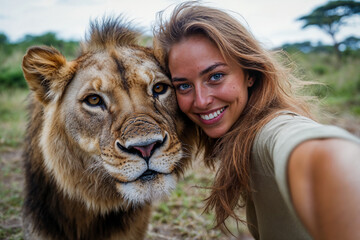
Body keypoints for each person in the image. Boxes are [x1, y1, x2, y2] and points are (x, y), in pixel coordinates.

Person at [153, 2, 360, 240]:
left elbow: (326, 157)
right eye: (184, 86)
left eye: (216, 76)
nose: (200, 101)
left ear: (249, 74)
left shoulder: (269, 131)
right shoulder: (242, 137)